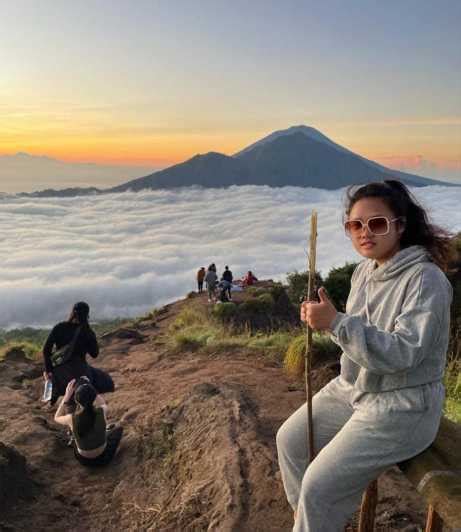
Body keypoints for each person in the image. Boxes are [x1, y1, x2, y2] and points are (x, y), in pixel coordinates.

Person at [276, 180, 453, 531]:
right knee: (290, 441)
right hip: (355, 387)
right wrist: (324, 321)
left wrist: (337, 323)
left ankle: (315, 516)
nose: (364, 233)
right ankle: (312, 522)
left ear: (400, 226)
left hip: (402, 404)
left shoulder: (425, 280)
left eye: (377, 223)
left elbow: (405, 353)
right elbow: (356, 334)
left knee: (318, 487)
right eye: (354, 225)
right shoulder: (364, 271)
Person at [43, 301, 114, 405]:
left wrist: (49, 370)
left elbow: (46, 349)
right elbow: (95, 354)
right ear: (87, 315)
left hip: (60, 371)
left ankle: (52, 397)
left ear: (72, 312)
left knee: (50, 379)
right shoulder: (87, 331)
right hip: (81, 370)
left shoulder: (60, 327)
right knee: (107, 382)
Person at [54, 378, 123, 467]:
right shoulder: (102, 410)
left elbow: (56, 417)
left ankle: (74, 438)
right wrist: (90, 387)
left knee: (76, 436)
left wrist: (66, 396)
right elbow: (102, 403)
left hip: (83, 461)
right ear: (93, 396)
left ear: (76, 400)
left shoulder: (71, 418)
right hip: (104, 457)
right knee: (118, 429)